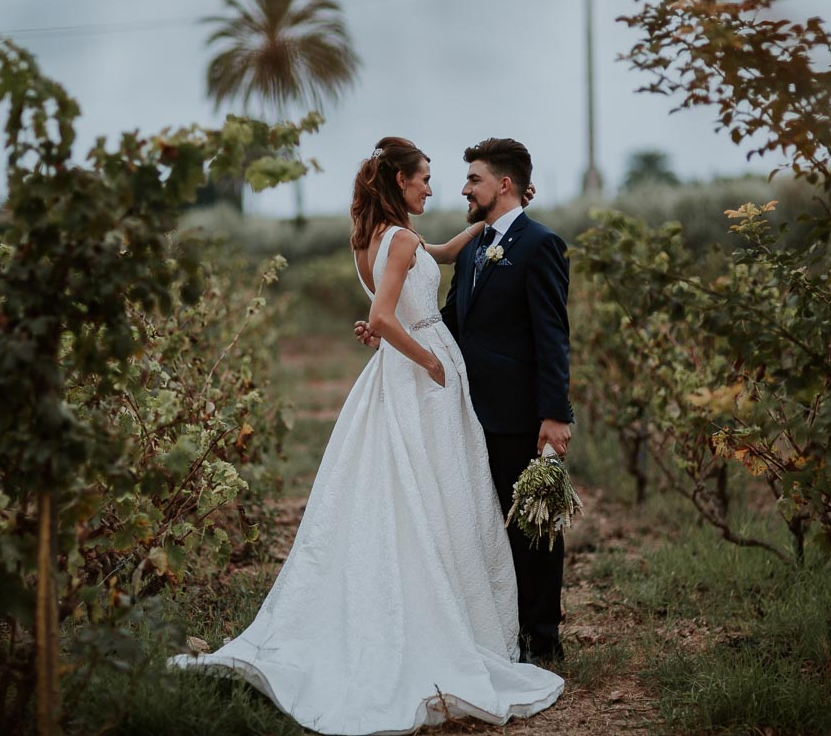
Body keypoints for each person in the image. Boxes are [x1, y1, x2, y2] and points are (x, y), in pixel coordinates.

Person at [169, 137, 563, 735]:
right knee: (437, 493)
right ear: (400, 181)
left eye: (457, 179)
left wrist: (495, 222)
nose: (437, 187)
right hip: (422, 373)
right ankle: (452, 623)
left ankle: (466, 613)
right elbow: (386, 317)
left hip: (405, 376)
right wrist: (427, 360)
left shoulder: (373, 241)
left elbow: (437, 258)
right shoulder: (400, 240)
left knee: (414, 492)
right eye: (426, 178)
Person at [357, 137, 574, 663]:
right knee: (481, 523)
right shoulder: (476, 247)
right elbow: (455, 318)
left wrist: (554, 414)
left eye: (473, 178)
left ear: (503, 184)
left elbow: (552, 336)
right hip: (463, 405)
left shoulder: (540, 244)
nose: (461, 188)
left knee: (532, 523)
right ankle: (496, 626)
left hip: (519, 408)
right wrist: (400, 333)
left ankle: (542, 637)